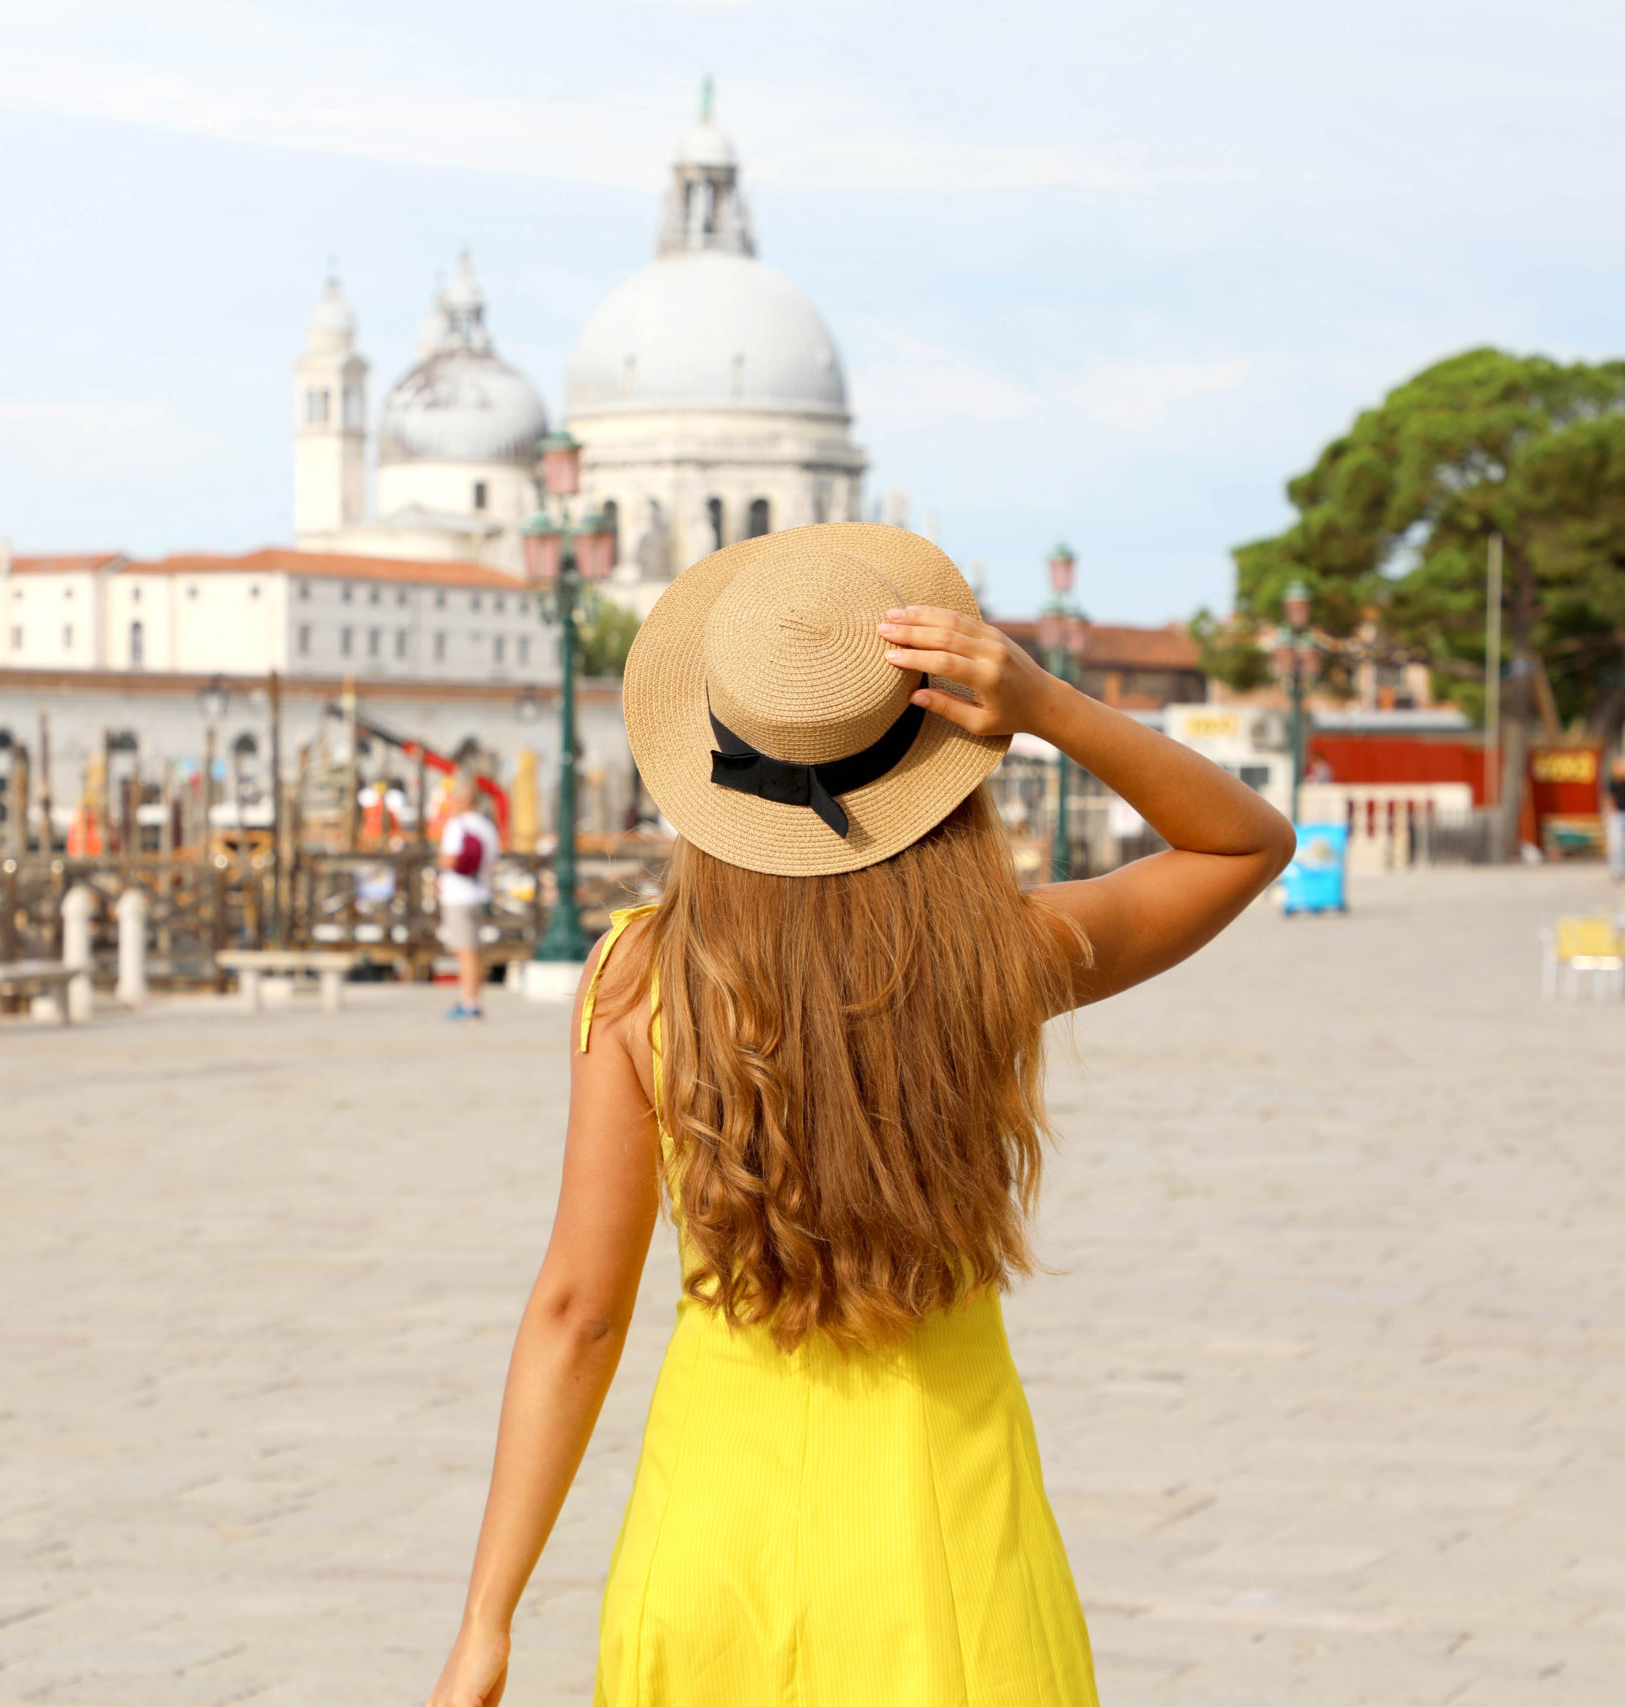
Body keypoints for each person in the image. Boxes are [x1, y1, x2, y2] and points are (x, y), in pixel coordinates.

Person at [423, 526, 1294, 1706]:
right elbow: (1244, 839)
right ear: (938, 757)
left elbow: (578, 1315)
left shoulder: (640, 983)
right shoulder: (1002, 957)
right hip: (949, 1547)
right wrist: (1046, 705)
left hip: (712, 1542)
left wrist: (487, 1619)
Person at [436, 778, 500, 1021]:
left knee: (466, 951)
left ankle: (469, 1001)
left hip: (458, 895)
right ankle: (473, 996)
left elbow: (449, 860)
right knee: (475, 950)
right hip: (480, 893)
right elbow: (492, 862)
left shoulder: (457, 825)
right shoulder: (487, 826)